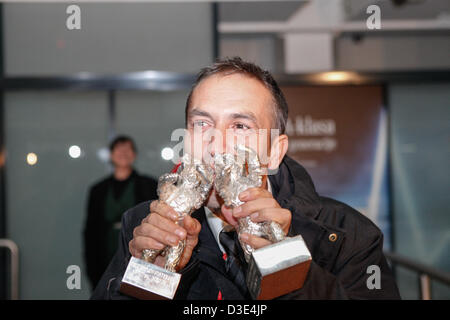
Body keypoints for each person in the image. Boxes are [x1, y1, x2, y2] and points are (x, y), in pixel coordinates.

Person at [91, 58, 400, 299]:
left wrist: (286, 269)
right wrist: (148, 282)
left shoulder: (344, 236)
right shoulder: (144, 227)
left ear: (275, 152)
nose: (217, 143)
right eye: (202, 123)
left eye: (240, 126)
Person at [83, 135, 158, 290]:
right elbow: (90, 230)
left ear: (134, 155)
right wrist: (91, 266)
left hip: (137, 252)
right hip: (104, 252)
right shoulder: (98, 190)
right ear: (111, 155)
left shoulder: (149, 185)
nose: (123, 153)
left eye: (128, 149)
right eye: (119, 149)